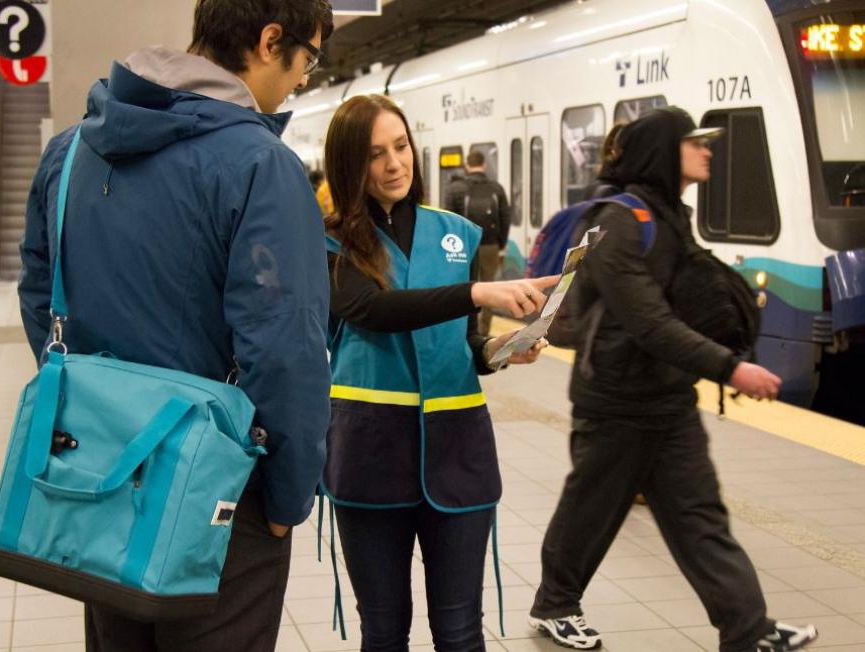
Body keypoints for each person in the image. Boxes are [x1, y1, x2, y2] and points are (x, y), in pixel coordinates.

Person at [18, 1, 334, 650]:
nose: (304, 78)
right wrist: (286, 500)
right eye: (308, 58)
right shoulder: (260, 166)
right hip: (218, 485)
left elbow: (39, 299)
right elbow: (284, 350)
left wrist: (97, 414)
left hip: (98, 474)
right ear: (270, 40)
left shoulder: (69, 153)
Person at [527, 106, 818, 652]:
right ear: (665, 151)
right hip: (613, 400)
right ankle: (555, 605)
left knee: (700, 514)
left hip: (667, 398)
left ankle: (747, 629)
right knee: (591, 509)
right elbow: (648, 323)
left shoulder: (670, 216)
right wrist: (731, 368)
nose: (707, 151)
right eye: (695, 142)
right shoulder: (620, 222)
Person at [322, 93, 559, 651]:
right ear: (350, 163)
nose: (394, 164)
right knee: (383, 631)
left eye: (401, 146)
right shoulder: (328, 240)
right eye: (375, 153)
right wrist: (478, 291)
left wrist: (496, 349)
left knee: (458, 631)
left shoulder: (457, 233)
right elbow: (374, 312)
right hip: (369, 455)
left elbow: (460, 339)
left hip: (458, 454)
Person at [444, 151, 512, 335]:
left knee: (463, 288)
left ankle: (465, 331)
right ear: (484, 166)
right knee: (489, 288)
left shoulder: (455, 189)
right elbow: (505, 217)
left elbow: (448, 221)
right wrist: (502, 244)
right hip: (490, 246)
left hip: (464, 248)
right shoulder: (496, 189)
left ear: (467, 166)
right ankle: (482, 333)